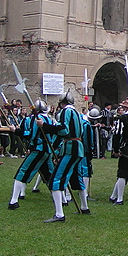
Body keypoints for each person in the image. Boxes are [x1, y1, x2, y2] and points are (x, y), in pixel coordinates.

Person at [37, 91, 85, 222]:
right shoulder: (77, 113)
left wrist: (45, 126)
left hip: (71, 148)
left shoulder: (65, 112)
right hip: (77, 147)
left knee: (55, 180)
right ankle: (84, 207)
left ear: (62, 103)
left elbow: (64, 130)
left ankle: (59, 214)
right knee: (76, 177)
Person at [8, 100, 55, 210]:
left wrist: (16, 131)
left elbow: (30, 135)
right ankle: (63, 199)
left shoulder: (38, 119)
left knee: (22, 172)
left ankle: (13, 201)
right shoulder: (50, 119)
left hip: (39, 149)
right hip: (47, 150)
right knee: (50, 175)